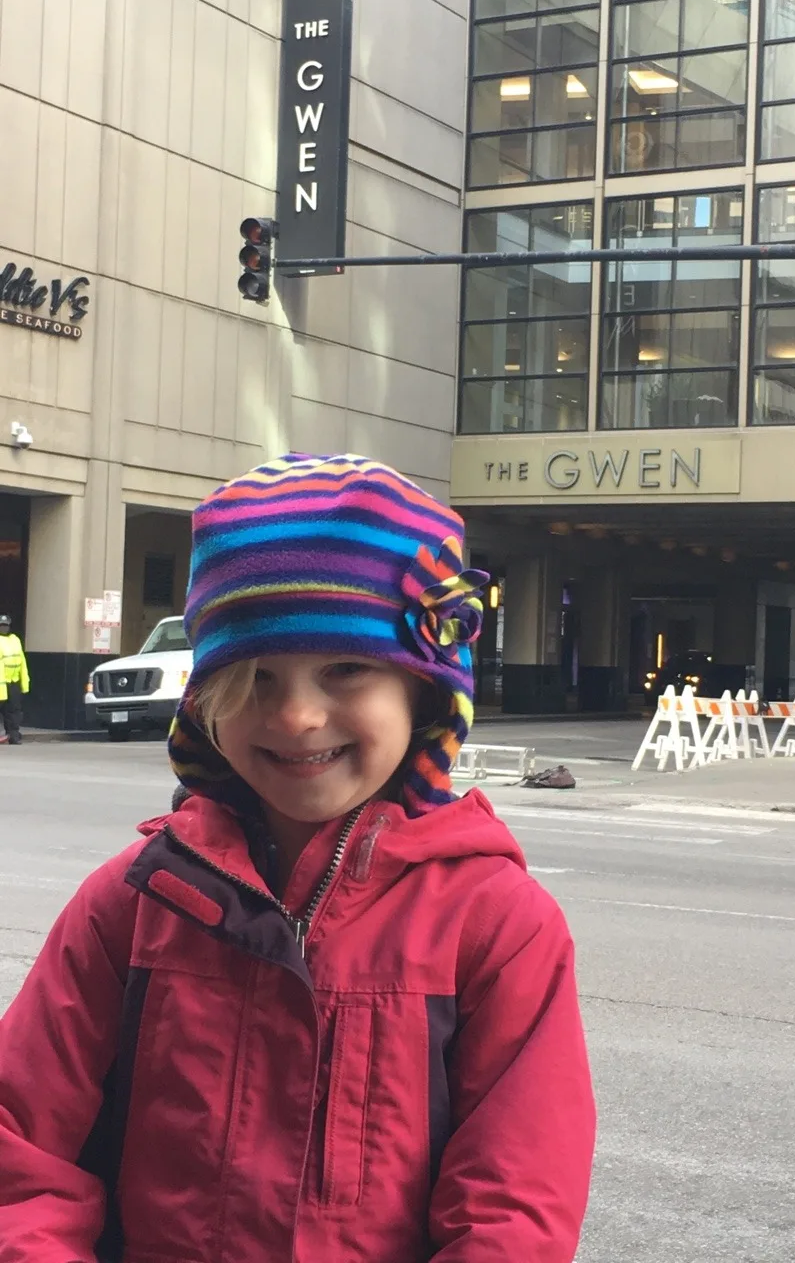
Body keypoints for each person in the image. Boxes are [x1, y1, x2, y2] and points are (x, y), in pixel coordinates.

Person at [0, 453, 596, 1262]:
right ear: (205, 698)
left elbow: (514, 1205)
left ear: (425, 689)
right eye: (256, 675)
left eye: (345, 669)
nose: (298, 714)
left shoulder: (496, 924)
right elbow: (22, 1152)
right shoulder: (132, 906)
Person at [0, 613, 28, 745]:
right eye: (1, 626)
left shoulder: (15, 640)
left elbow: (22, 662)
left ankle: (13, 736)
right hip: (1, 683)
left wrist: (24, 683)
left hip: (14, 682)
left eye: (6, 626)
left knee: (14, 711)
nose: (4, 628)